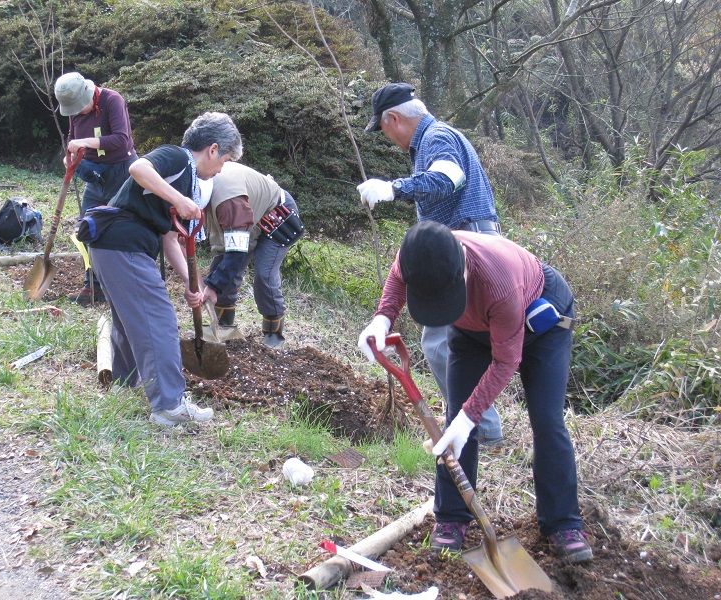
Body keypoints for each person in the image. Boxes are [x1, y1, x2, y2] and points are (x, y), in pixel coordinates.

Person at [358, 220, 592, 564]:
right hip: (472, 332)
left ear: (464, 263)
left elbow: (506, 361)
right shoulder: (418, 254)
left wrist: (471, 418)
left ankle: (563, 523)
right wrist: (382, 319)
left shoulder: (499, 279)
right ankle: (452, 518)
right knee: (454, 417)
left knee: (546, 419)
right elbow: (396, 279)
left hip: (541, 321)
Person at [357, 82, 503, 445]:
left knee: (440, 341)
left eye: (383, 128)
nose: (386, 136)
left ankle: (480, 428)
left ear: (393, 118)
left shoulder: (436, 138)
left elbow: (449, 179)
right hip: (467, 242)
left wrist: (394, 188)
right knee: (456, 339)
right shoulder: (432, 140)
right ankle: (478, 422)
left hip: (468, 243)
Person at [87, 112, 243, 426]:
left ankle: (126, 384)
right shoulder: (178, 158)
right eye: (224, 159)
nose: (222, 168)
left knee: (130, 319)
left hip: (114, 246)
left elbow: (172, 240)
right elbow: (138, 167)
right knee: (158, 319)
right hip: (122, 243)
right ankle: (170, 406)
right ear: (212, 149)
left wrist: (192, 283)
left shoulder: (187, 179)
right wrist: (178, 199)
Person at [188, 161, 302, 350]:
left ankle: (274, 333)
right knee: (220, 267)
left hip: (276, 214)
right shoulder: (200, 184)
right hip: (249, 214)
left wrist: (213, 287)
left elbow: (237, 252)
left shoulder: (228, 201)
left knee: (264, 274)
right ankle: (223, 325)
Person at [54, 71, 138, 306]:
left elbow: (122, 139)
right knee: (87, 227)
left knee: (119, 227)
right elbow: (73, 137)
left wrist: (85, 143)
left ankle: (125, 283)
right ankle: (94, 285)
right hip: (95, 171)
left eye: (80, 107)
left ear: (88, 94)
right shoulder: (74, 109)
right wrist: (69, 155)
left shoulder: (113, 100)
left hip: (122, 169)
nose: (77, 113)